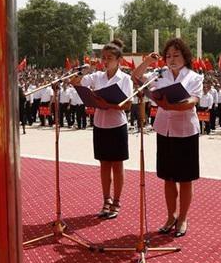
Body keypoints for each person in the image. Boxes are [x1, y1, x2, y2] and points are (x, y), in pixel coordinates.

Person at [133, 38, 202, 238]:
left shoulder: (194, 77)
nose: (171, 59)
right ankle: (171, 216)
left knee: (185, 178)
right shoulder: (158, 74)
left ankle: (182, 217)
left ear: (185, 57)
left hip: (185, 130)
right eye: (168, 56)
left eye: (176, 55)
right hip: (164, 128)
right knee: (168, 177)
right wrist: (147, 62)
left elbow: (193, 100)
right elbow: (136, 79)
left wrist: (172, 105)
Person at [71, 39, 132, 219]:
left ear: (118, 59)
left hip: (117, 125)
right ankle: (106, 199)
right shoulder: (97, 77)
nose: (105, 61)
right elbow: (75, 82)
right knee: (104, 165)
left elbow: (128, 105)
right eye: (103, 58)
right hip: (100, 124)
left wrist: (109, 103)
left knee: (117, 165)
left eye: (109, 58)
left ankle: (117, 201)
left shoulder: (125, 78)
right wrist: (82, 71)